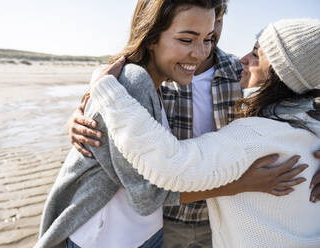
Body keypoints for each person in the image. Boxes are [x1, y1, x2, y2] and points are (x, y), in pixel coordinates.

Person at [66, 1, 314, 246]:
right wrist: (80, 115)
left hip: (215, 216)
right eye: (188, 37)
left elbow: (298, 89)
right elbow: (120, 119)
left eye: (215, 22)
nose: (208, 39)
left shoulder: (239, 72)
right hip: (165, 218)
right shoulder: (157, 69)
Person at [37, 1, 224, 247]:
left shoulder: (156, 81)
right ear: (151, 37)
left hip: (140, 232)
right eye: (187, 40)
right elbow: (146, 196)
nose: (201, 54)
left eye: (208, 39)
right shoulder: (134, 82)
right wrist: (241, 183)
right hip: (110, 237)